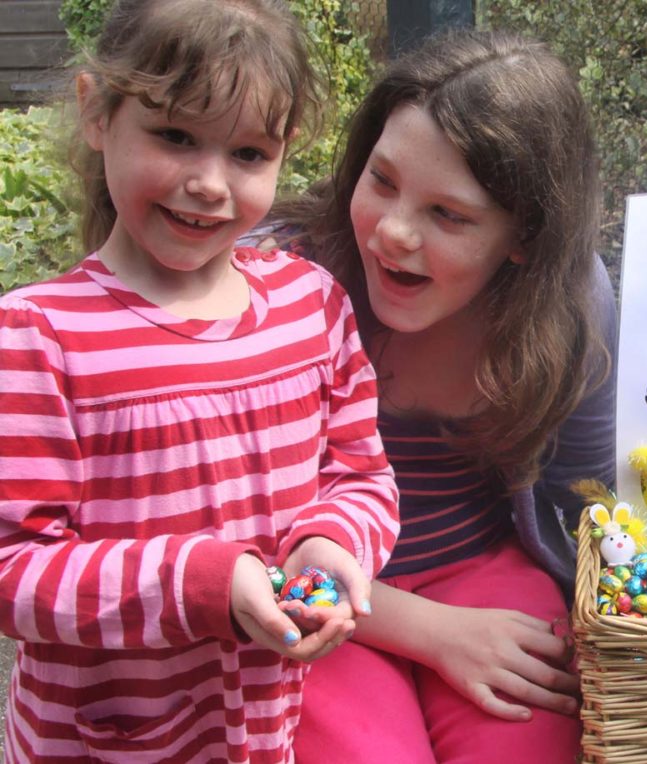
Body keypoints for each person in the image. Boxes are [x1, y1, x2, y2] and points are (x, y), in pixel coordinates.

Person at [0, 1, 399, 761]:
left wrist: (330, 545)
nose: (210, 184)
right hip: (96, 742)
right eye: (176, 136)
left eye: (248, 153)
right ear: (97, 112)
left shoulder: (312, 306)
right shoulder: (38, 337)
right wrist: (199, 582)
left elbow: (359, 475)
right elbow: (14, 568)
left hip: (263, 734)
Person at [279, 29, 617, 763]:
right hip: (306, 583)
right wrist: (428, 632)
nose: (393, 232)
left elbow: (591, 496)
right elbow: (219, 519)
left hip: (482, 570)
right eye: (381, 181)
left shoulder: (570, 302)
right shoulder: (276, 283)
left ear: (526, 235)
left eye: (449, 215)